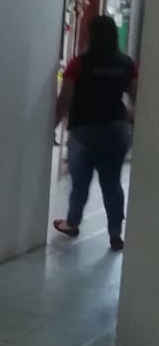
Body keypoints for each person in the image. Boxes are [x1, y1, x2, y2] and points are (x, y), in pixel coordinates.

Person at [53, 13, 138, 252]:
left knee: (80, 183)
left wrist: (52, 125)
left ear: (91, 35)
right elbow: (136, 97)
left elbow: (64, 100)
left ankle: (72, 223)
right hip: (117, 131)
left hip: (84, 130)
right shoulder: (127, 64)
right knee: (112, 183)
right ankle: (115, 233)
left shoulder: (79, 63)